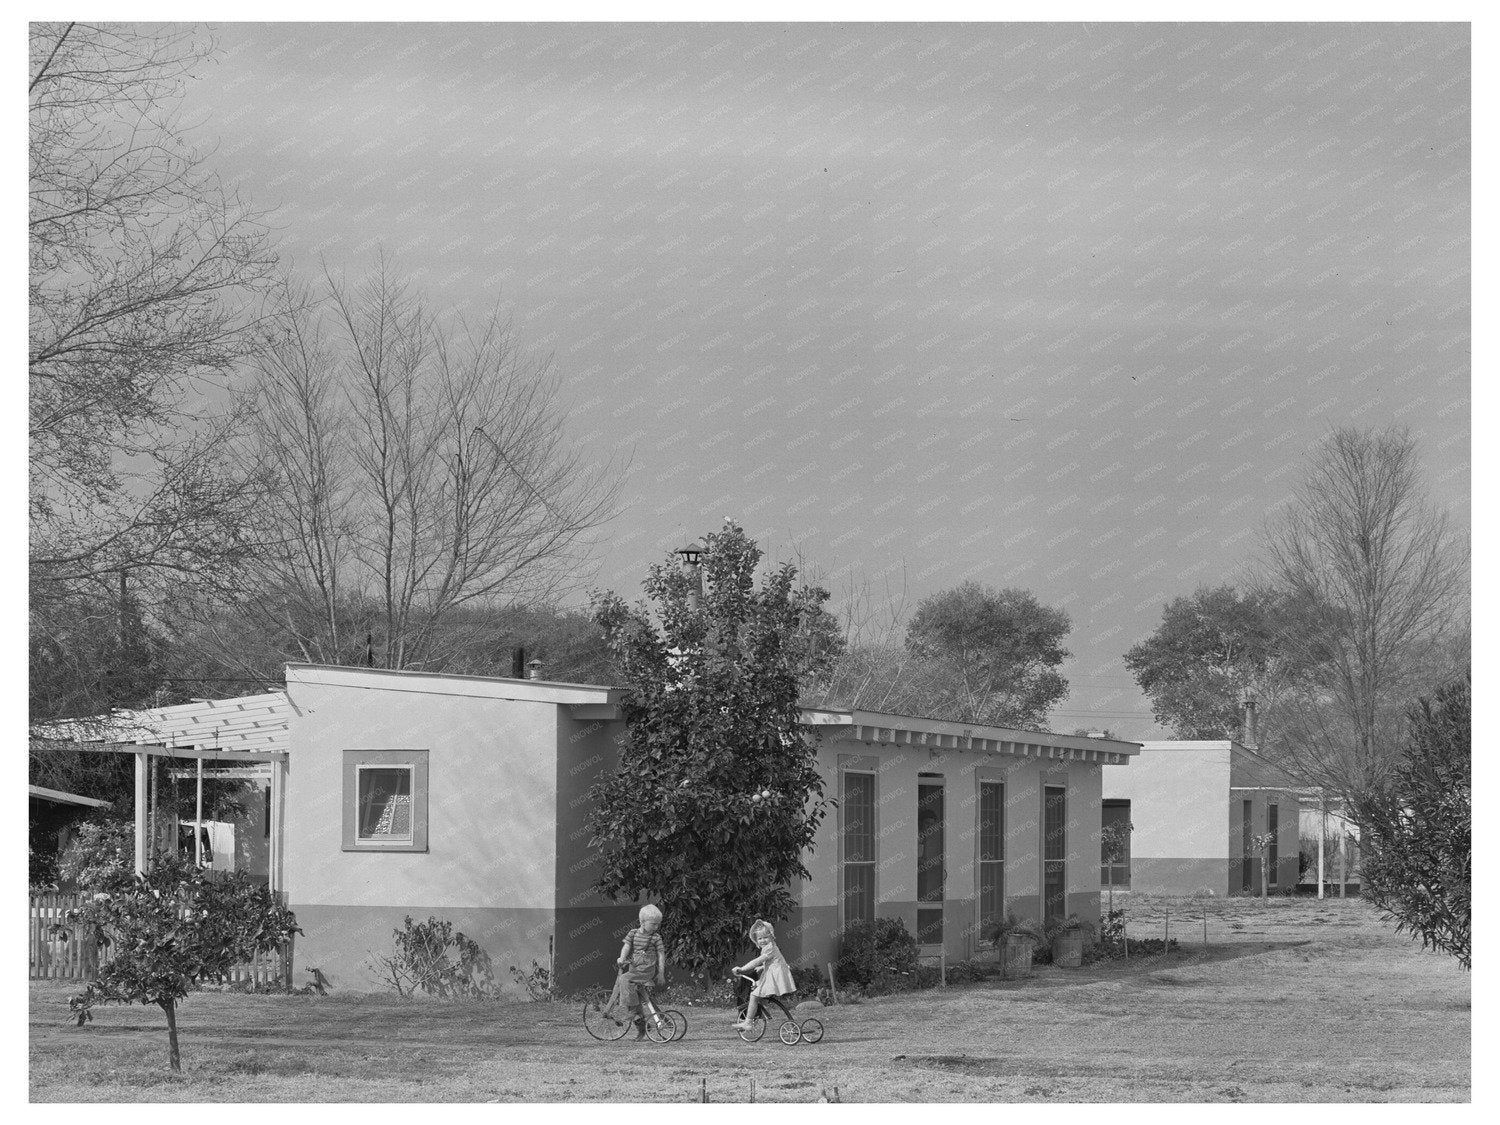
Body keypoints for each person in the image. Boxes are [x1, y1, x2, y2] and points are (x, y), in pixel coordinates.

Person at [732, 919, 795, 1031]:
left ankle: (748, 1022)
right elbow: (774, 960)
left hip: (774, 977)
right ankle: (759, 1012)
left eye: (765, 937)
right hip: (772, 974)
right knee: (757, 988)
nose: (763, 940)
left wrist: (742, 969)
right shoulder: (770, 947)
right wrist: (763, 967)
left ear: (771, 937)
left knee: (754, 996)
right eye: (759, 938)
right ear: (756, 940)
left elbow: (757, 961)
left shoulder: (769, 948)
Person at [615, 903, 667, 1041]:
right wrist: (622, 957)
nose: (656, 927)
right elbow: (627, 946)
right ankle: (642, 1027)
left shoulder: (655, 938)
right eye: (653, 924)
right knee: (636, 997)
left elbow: (661, 954)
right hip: (635, 969)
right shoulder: (633, 933)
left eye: (658, 924)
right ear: (642, 922)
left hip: (646, 970)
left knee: (624, 980)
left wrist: (661, 973)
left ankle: (630, 1012)